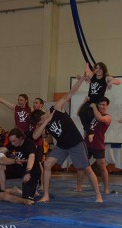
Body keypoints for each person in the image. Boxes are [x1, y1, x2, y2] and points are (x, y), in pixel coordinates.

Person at [33, 64, 103, 203]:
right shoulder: (43, 123)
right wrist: (45, 124)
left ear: (43, 115)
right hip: (62, 146)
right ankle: (46, 195)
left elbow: (71, 93)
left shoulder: (56, 108)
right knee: (47, 165)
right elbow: (35, 136)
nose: (41, 126)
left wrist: (83, 78)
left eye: (41, 122)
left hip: (76, 143)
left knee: (87, 169)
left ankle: (98, 196)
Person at [76, 97, 112, 194]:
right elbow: (79, 113)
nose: (101, 106)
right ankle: (78, 187)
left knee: (101, 166)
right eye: (100, 104)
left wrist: (93, 107)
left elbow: (99, 118)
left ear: (107, 106)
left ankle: (106, 189)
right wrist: (84, 103)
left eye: (104, 104)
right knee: (81, 166)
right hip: (87, 144)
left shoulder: (107, 117)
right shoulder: (91, 113)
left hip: (98, 145)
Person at [0, 128, 40, 201]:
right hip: (19, 167)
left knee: (27, 198)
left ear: (21, 138)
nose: (12, 143)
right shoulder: (13, 143)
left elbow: (32, 157)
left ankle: (17, 191)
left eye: (14, 141)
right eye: (11, 141)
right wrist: (0, 153)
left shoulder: (29, 143)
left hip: (31, 170)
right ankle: (3, 191)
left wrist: (28, 172)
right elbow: (2, 151)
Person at [77, 62, 120, 140]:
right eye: (96, 68)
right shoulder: (92, 76)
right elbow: (78, 77)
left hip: (98, 102)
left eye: (100, 68)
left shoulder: (105, 77)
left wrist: (111, 82)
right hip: (90, 100)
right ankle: (89, 133)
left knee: (90, 114)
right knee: (81, 113)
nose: (98, 70)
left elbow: (118, 81)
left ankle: (90, 133)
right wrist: (84, 75)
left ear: (103, 69)